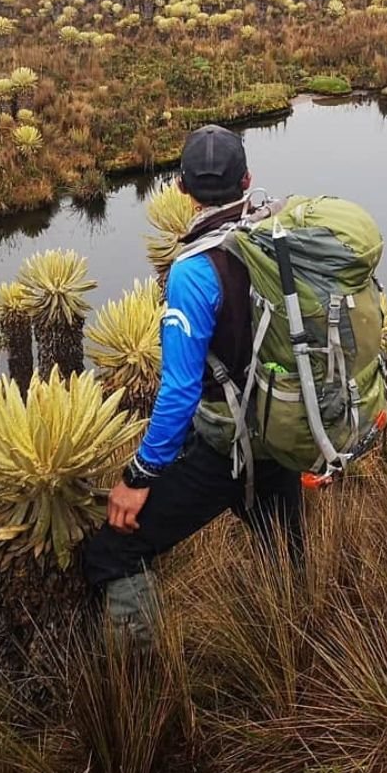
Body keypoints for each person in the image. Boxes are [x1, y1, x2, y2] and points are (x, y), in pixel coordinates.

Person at [83, 124, 303, 642]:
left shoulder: (194, 271)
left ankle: (139, 684)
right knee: (288, 567)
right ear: (247, 178)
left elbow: (179, 390)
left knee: (113, 552)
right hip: (284, 430)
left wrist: (137, 478)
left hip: (227, 449)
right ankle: (301, 659)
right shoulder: (277, 236)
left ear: (181, 188)